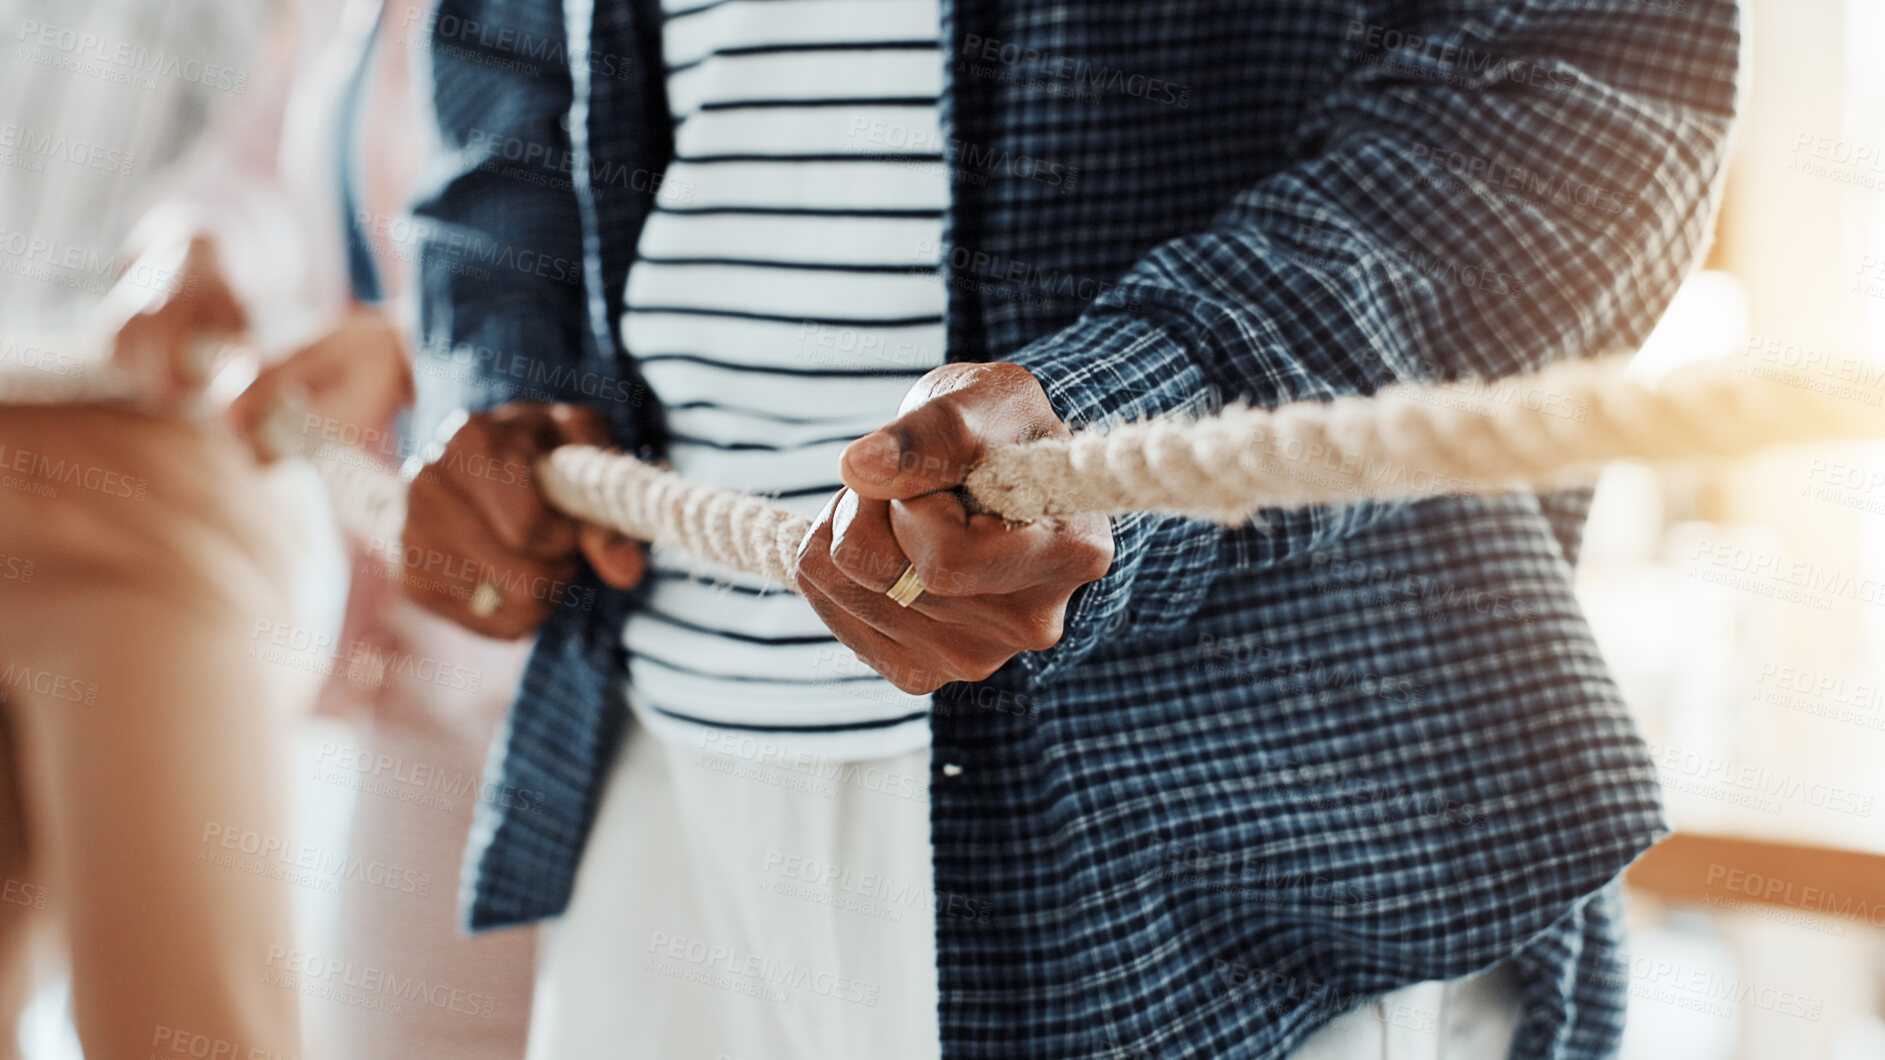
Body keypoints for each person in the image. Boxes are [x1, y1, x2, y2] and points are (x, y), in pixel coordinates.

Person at [402, 0, 1742, 1056]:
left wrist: (1117, 419)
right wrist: (505, 377)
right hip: (659, 791)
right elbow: (515, 73)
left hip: (1221, 845)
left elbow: (1582, 79)